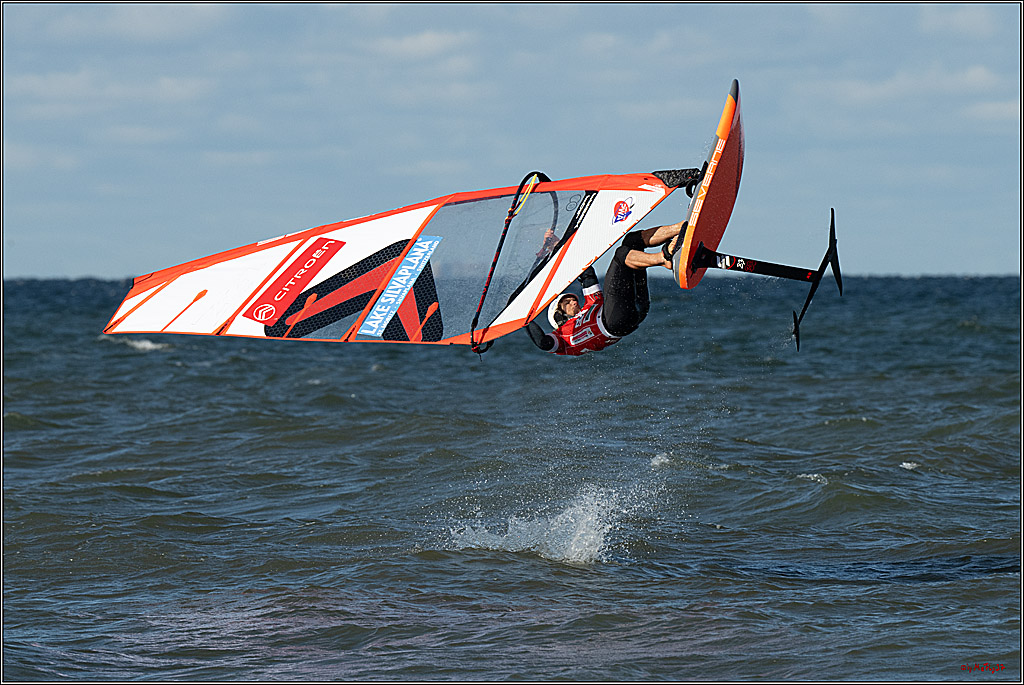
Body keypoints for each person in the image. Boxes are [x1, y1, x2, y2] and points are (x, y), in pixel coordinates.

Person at [525, 219, 687, 356]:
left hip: (636, 311)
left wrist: (557, 245)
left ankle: (681, 228)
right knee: (621, 255)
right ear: (559, 317)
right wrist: (524, 319)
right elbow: (542, 343)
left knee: (631, 241)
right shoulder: (563, 338)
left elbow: (586, 273)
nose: (573, 302)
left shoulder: (591, 305)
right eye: (566, 304)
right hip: (614, 322)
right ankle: (664, 258)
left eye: (571, 299)